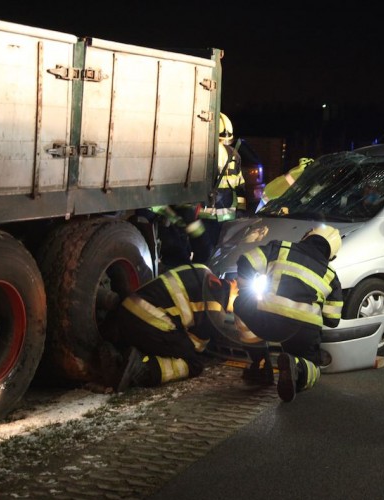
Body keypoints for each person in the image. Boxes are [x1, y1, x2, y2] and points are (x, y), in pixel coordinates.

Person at [233, 226, 343, 402]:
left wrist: (246, 292)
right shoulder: (331, 275)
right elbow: (332, 319)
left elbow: (246, 261)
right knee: (313, 368)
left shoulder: (280, 247)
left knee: (240, 303)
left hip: (268, 318)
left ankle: (260, 364)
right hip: (302, 329)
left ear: (306, 236)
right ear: (332, 256)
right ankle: (296, 366)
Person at [104, 263, 238, 392]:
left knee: (170, 339)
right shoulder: (215, 312)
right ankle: (142, 369)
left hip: (126, 310)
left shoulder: (203, 270)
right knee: (194, 363)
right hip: (147, 321)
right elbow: (194, 346)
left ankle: (120, 354)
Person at [200, 112, 247, 246]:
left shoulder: (204, 152)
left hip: (205, 215)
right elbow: (240, 185)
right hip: (228, 215)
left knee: (205, 252)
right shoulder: (234, 154)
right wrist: (241, 210)